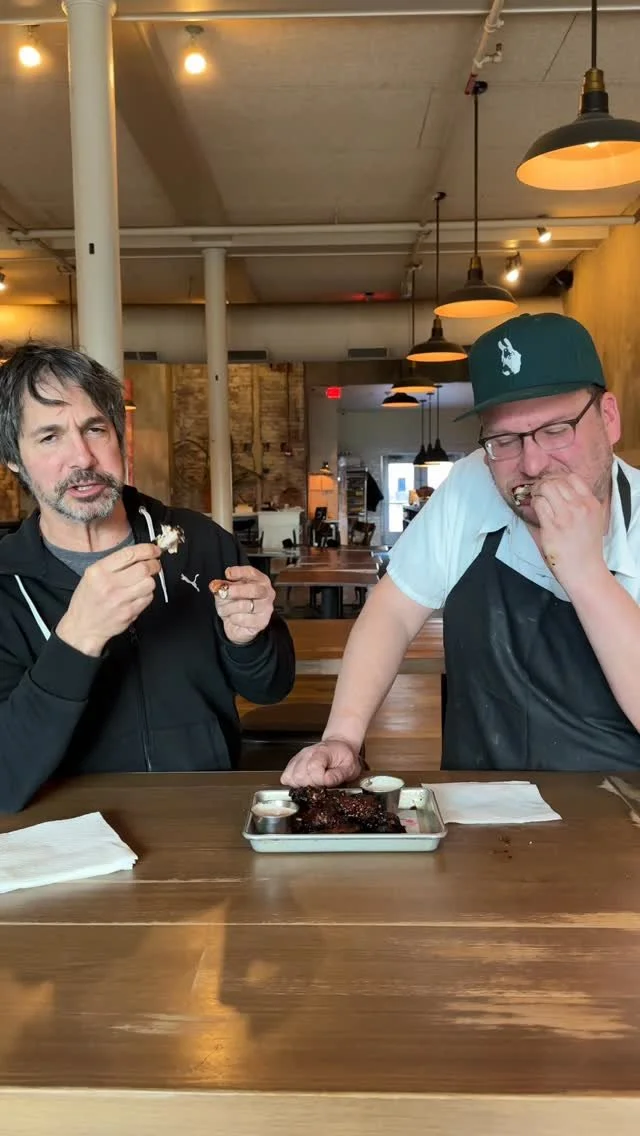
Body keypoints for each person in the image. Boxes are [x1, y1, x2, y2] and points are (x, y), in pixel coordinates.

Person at [282, 312, 640, 786]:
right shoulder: (472, 481)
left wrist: (585, 572)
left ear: (609, 418)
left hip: (619, 814)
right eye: (504, 439)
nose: (533, 464)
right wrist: (343, 737)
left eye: (556, 430)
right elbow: (393, 610)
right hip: (476, 809)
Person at [0, 343, 295, 813]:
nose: (82, 458)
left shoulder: (201, 541)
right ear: (14, 457)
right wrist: (77, 638)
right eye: (50, 437)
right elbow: (5, 777)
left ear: (118, 435)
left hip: (204, 817)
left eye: (95, 429)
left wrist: (250, 640)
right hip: (69, 836)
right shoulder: (5, 588)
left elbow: (272, 687)